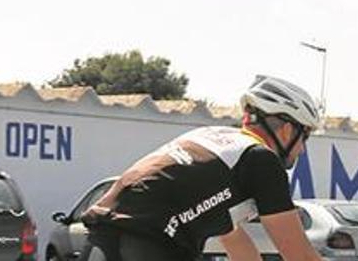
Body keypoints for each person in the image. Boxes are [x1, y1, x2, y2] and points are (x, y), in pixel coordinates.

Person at [80, 75, 325, 261]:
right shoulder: (261, 159)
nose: (302, 150)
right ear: (287, 129)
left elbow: (234, 237)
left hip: (101, 238)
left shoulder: (212, 139)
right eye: (304, 138)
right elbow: (298, 254)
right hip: (151, 244)